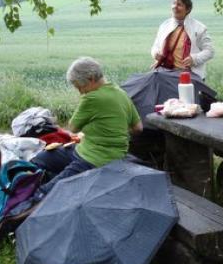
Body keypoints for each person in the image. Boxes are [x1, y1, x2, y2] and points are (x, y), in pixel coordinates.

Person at [31, 57, 143, 199]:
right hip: (98, 152)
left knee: (47, 191)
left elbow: (73, 128)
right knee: (46, 156)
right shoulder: (121, 94)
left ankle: (30, 202)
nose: (80, 92)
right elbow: (138, 128)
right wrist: (115, 130)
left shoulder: (91, 98)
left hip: (93, 159)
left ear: (90, 79)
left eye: (80, 86)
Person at [150, 0, 215, 79]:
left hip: (190, 75)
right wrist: (155, 53)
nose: (175, 7)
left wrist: (194, 59)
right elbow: (156, 46)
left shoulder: (199, 28)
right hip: (167, 73)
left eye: (179, 5)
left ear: (188, 9)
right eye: (174, 3)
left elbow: (210, 51)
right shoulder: (164, 26)